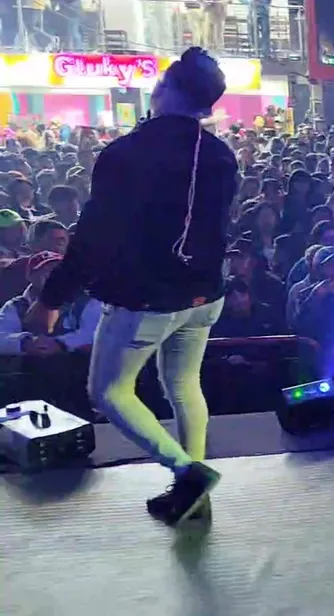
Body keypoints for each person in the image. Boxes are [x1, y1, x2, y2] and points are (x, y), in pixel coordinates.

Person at [34, 48, 236, 526]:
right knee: (184, 384)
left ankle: (188, 474)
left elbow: (94, 236)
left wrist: (52, 298)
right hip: (205, 293)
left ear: (165, 90)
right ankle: (193, 495)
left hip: (147, 297)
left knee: (109, 391)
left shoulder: (128, 153)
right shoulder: (220, 155)